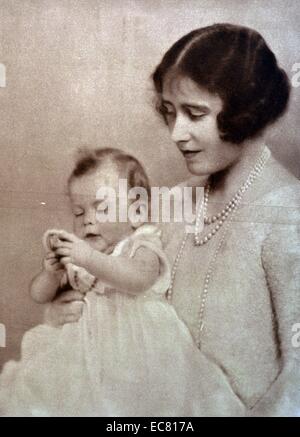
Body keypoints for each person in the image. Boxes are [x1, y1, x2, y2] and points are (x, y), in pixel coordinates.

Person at [46, 23, 300, 416]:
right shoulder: (172, 202)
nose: (176, 133)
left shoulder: (288, 214)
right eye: (169, 113)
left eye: (195, 114)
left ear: (246, 111)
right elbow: (119, 289)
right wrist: (68, 314)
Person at [0, 147, 244, 417]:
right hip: (86, 349)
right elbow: (39, 295)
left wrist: (89, 258)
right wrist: (51, 273)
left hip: (138, 347)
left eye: (101, 208)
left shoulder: (141, 244)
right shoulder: (81, 253)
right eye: (78, 212)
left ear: (137, 212)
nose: (87, 220)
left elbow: (138, 280)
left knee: (142, 404)